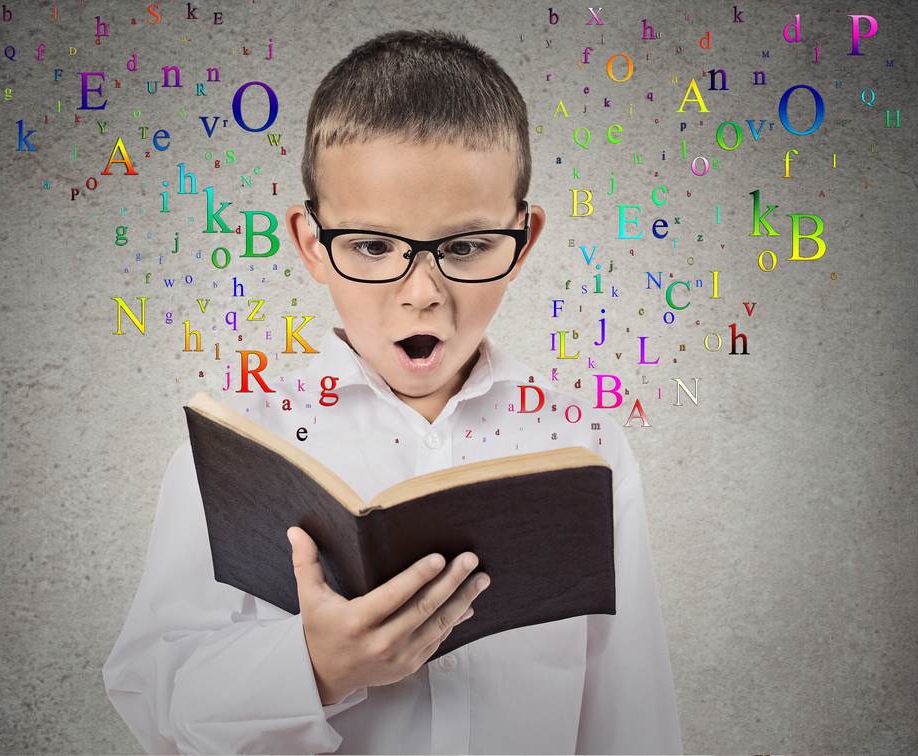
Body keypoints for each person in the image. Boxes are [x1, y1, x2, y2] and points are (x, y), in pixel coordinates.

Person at [103, 30, 682, 755]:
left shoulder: (583, 443)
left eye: (465, 246)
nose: (421, 293)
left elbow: (631, 715)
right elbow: (156, 700)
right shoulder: (241, 442)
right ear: (313, 245)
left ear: (523, 241)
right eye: (374, 246)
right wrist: (315, 668)